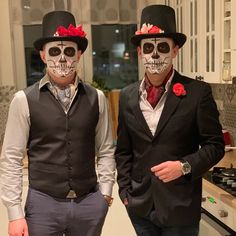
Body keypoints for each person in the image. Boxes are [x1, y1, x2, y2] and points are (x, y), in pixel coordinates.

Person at [0, 11, 115, 236]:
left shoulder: (97, 98)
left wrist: (106, 193)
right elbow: (11, 158)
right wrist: (14, 214)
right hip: (43, 205)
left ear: (79, 54)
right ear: (43, 55)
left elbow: (106, 149)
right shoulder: (23, 100)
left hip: (89, 203)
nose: (62, 58)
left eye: (69, 51)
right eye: (54, 51)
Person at [115, 5, 225, 236]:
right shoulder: (127, 96)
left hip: (181, 207)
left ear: (175, 50)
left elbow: (215, 146)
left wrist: (184, 166)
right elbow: (124, 150)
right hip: (140, 207)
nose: (154, 54)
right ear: (140, 52)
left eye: (162, 47)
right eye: (148, 47)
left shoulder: (197, 92)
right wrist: (124, 191)